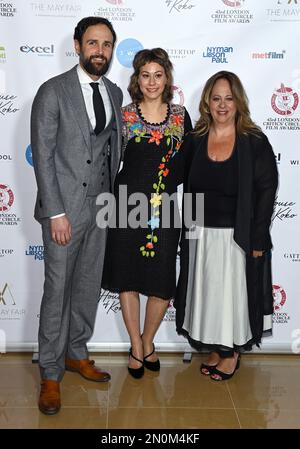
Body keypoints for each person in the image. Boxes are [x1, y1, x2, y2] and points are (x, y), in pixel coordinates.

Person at [31, 16, 123, 415]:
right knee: (57, 292)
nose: (98, 50)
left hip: (101, 206)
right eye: (92, 43)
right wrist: (55, 212)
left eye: (105, 44)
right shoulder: (52, 92)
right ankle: (50, 373)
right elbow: (44, 157)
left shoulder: (116, 92)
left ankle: (75, 352)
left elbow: (111, 149)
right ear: (77, 45)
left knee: (87, 285)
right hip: (64, 210)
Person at [175, 71, 278, 381]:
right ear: (208, 101)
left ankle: (232, 355)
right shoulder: (195, 138)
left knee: (232, 297)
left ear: (238, 102)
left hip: (237, 236)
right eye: (216, 98)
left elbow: (266, 189)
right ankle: (217, 348)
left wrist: (258, 237)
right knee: (208, 295)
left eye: (228, 98)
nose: (222, 105)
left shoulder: (254, 140)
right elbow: (174, 175)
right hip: (200, 234)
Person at [102, 48, 192, 378]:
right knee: (127, 276)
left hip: (166, 209)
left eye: (158, 75)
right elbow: (109, 163)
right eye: (145, 75)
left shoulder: (181, 116)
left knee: (161, 281)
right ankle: (136, 348)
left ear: (166, 78)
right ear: (136, 79)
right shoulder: (123, 116)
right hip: (126, 206)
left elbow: (188, 166)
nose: (152, 81)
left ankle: (148, 341)